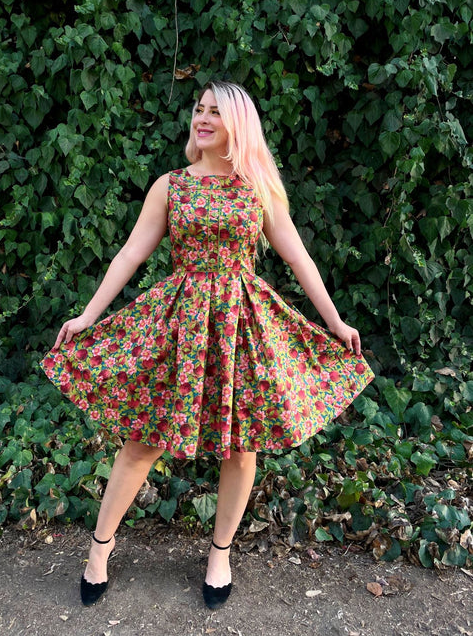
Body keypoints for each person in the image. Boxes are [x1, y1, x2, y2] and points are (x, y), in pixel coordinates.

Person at [40, 81, 374, 610]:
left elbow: (298, 258)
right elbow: (129, 255)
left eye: (216, 112)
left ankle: (220, 555)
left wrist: (333, 320)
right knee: (142, 439)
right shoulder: (170, 186)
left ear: (236, 125)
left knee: (243, 446)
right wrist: (88, 315)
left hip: (243, 325)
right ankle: (98, 551)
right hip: (182, 323)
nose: (202, 118)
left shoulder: (257, 188)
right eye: (199, 109)